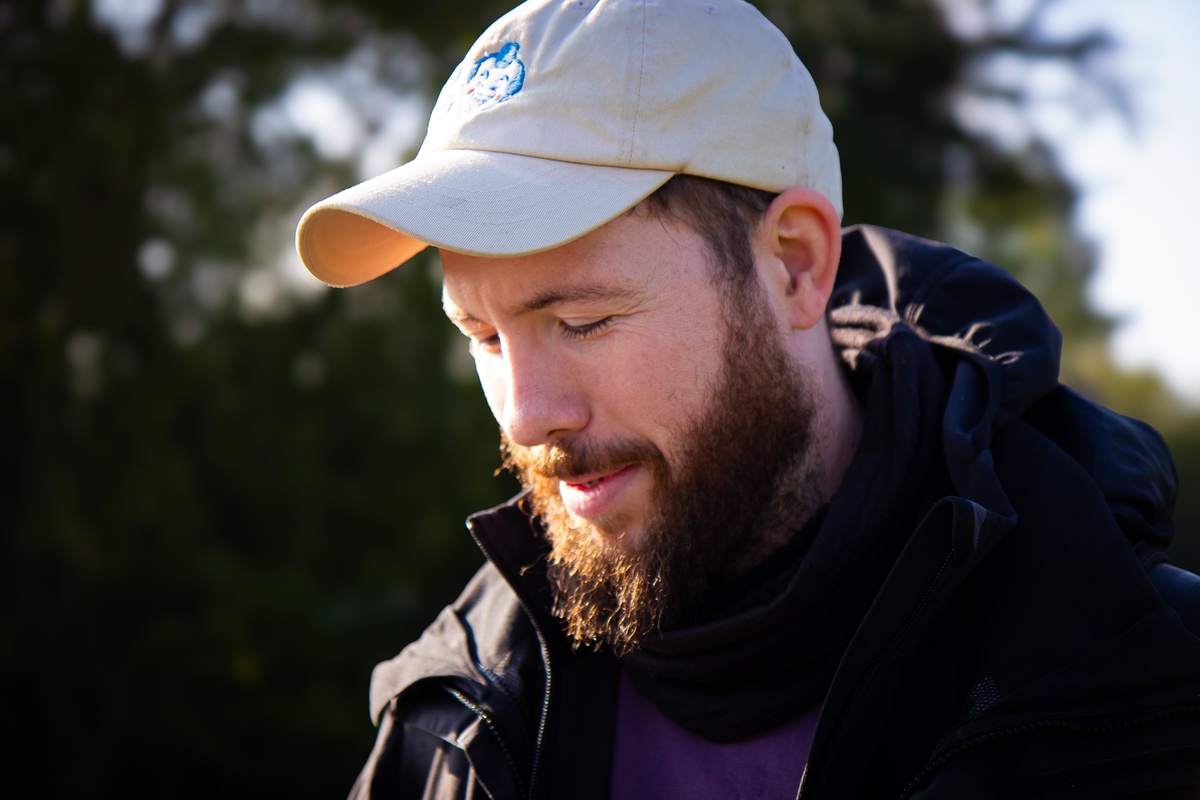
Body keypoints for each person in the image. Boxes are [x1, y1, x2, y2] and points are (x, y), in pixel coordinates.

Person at [295, 1, 1200, 797]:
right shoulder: (455, 712)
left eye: (582, 320)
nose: (527, 418)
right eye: (484, 338)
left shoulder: (1137, 688)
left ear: (796, 265)